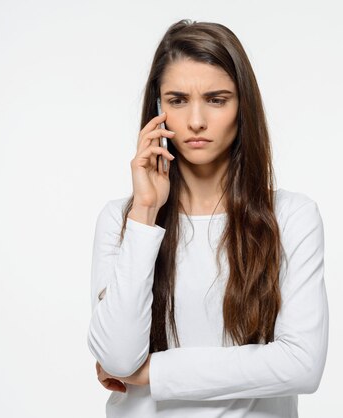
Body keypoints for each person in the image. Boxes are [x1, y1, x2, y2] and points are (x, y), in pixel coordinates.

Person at [87, 18, 329, 417]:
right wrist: (145, 213)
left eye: (217, 99)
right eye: (178, 100)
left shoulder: (290, 217)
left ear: (242, 106)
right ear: (158, 108)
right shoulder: (122, 220)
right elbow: (116, 358)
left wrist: (154, 373)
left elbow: (301, 365)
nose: (196, 121)